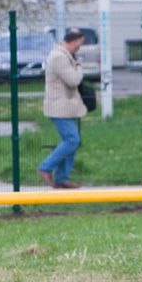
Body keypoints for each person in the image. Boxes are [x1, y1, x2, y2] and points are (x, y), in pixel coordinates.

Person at [39, 27, 88, 188]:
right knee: (72, 140)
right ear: (72, 42)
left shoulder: (63, 55)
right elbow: (73, 80)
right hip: (59, 107)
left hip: (66, 107)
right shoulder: (59, 57)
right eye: (78, 45)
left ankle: (61, 178)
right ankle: (45, 168)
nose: (78, 48)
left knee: (71, 141)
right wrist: (79, 66)